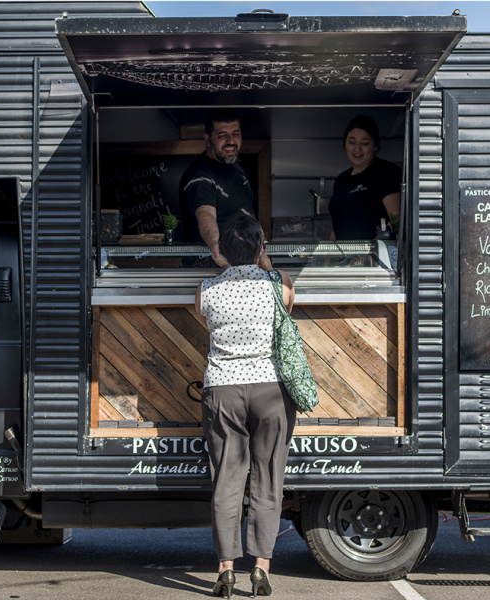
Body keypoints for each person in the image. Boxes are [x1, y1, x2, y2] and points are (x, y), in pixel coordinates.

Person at [194, 213, 297, 598]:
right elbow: (288, 313)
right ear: (260, 248)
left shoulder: (206, 289)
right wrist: (265, 263)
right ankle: (261, 568)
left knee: (227, 478)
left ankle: (225, 569)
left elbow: (207, 325)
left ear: (222, 252)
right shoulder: (279, 284)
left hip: (222, 389)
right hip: (270, 389)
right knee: (268, 477)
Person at [180, 108, 271, 269]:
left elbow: (245, 212)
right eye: (223, 135)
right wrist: (216, 247)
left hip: (243, 266)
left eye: (235, 133)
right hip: (213, 268)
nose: (231, 141)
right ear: (208, 139)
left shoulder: (236, 165)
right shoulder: (200, 177)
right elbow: (206, 214)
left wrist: (259, 253)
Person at [328, 114, 402, 240]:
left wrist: (369, 255)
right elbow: (339, 226)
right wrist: (326, 257)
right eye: (352, 142)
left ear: (375, 146)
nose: (357, 148)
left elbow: (397, 218)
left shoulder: (386, 172)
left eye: (365, 143)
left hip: (374, 257)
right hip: (344, 257)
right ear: (345, 143)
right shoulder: (342, 179)